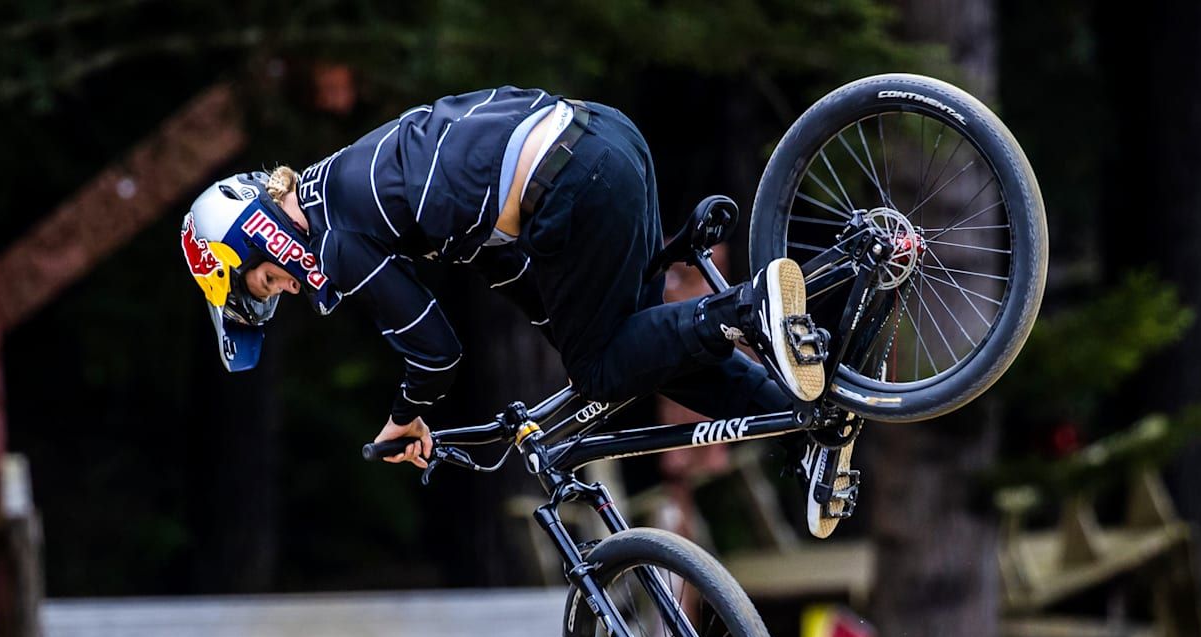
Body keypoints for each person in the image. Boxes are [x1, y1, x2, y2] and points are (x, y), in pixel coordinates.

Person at [178, 86, 859, 537]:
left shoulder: (339, 238)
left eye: (265, 283)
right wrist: (567, 335)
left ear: (250, 239)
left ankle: (746, 307)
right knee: (640, 355)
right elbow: (506, 264)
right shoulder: (354, 186)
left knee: (601, 371)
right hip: (604, 142)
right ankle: (814, 417)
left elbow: (437, 352)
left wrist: (407, 414)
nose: (287, 290)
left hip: (569, 178)